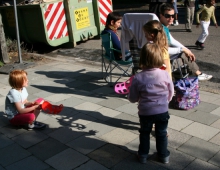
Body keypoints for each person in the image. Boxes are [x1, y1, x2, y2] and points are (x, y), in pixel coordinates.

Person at [128, 43, 174, 164]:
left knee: (144, 133)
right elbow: (171, 92)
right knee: (162, 133)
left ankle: (143, 155)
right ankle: (163, 156)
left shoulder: (138, 77)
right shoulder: (165, 74)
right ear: (159, 58)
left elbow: (132, 98)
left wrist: (135, 98)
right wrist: (166, 101)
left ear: (142, 58)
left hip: (145, 111)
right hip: (162, 111)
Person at [159, 3, 213, 81]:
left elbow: (172, 40)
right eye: (167, 16)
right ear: (161, 15)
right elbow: (163, 50)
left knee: (184, 54)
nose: (171, 18)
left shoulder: (164, 27)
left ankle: (192, 76)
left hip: (163, 57)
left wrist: (186, 49)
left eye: (173, 16)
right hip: (161, 60)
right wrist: (183, 50)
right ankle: (197, 74)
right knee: (182, 54)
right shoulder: (160, 30)